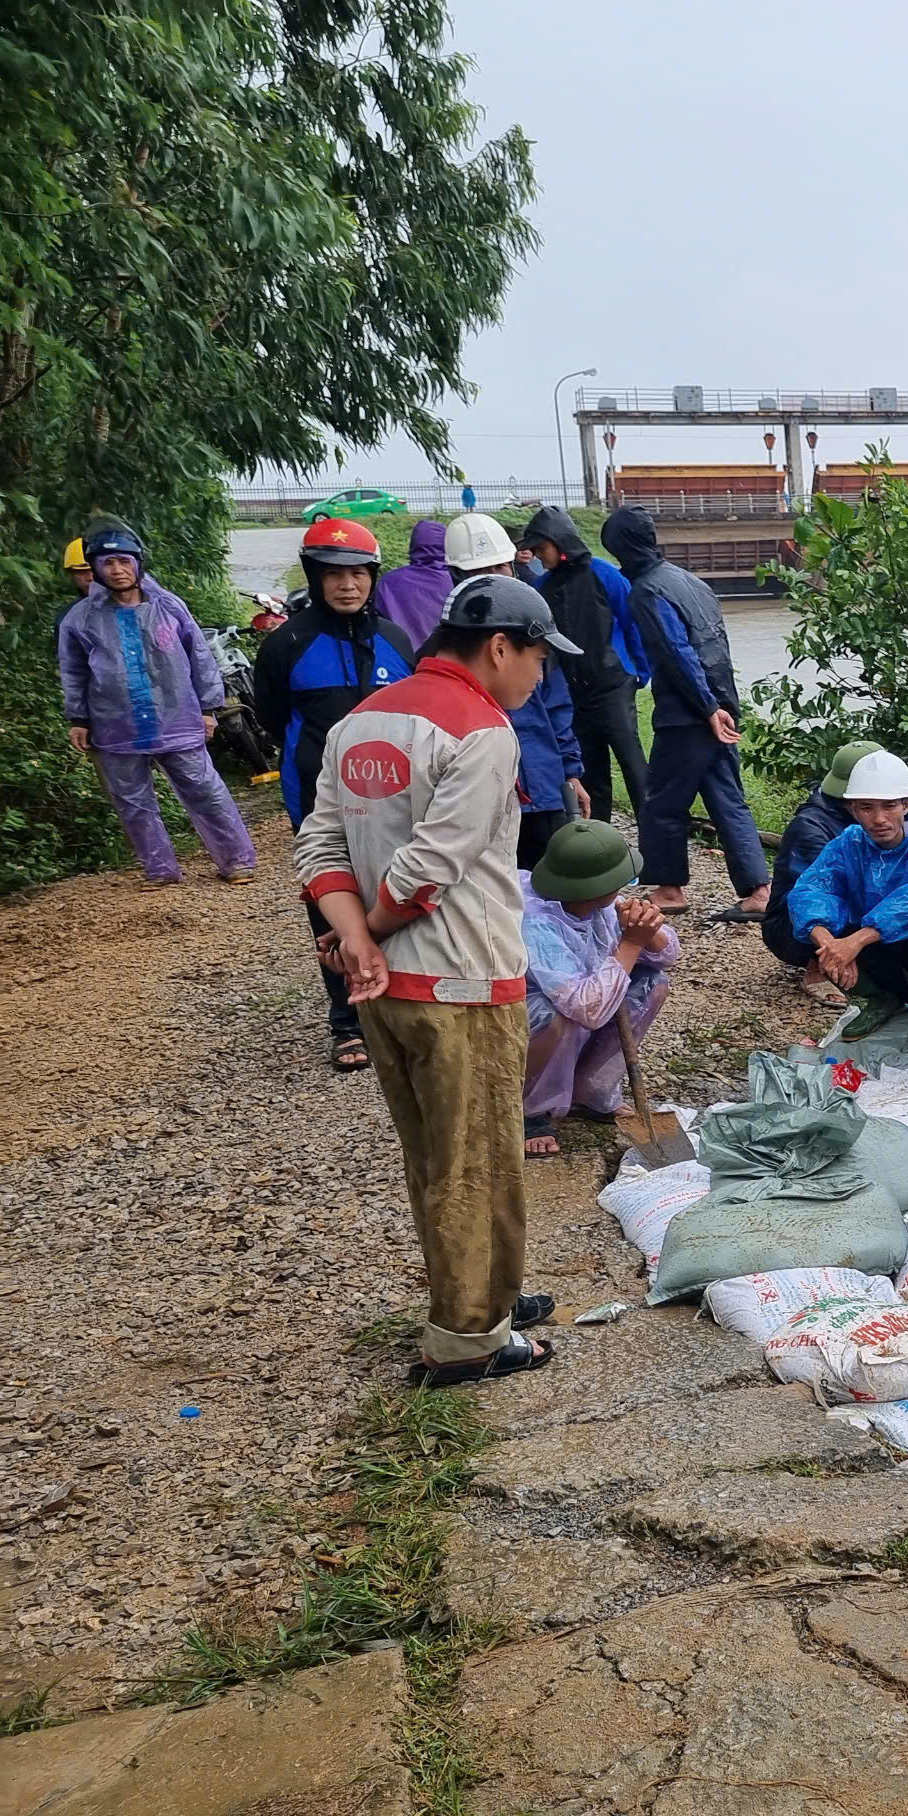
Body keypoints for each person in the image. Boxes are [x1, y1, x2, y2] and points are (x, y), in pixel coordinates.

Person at [295, 574, 582, 1387]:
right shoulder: (483, 730)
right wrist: (373, 933)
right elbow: (432, 867)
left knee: (438, 1154)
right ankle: (467, 1341)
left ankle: (490, 1292)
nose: (540, 678)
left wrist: (353, 938)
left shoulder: (362, 719)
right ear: (500, 648)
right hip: (461, 982)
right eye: (538, 660)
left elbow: (319, 843)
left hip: (388, 994)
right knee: (476, 1161)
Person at [255, 517, 420, 1070]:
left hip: (396, 798)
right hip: (319, 799)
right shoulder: (287, 644)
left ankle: (401, 1000)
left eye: (357, 573)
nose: (347, 585)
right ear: (315, 577)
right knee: (333, 903)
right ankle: (347, 1021)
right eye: (333, 574)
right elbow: (274, 717)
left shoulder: (396, 642)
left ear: (373, 577)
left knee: (398, 894)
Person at [56, 522, 259, 888]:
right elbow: (73, 671)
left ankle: (237, 860)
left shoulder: (168, 606)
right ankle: (159, 869)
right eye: (107, 563)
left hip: (177, 719)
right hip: (114, 725)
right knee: (132, 801)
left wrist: (209, 709)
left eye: (124, 561)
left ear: (138, 563)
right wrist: (78, 717)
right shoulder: (81, 619)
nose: (117, 570)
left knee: (205, 789)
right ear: (95, 569)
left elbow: (199, 656)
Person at [597, 506, 769, 920]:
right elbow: (716, 648)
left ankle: (669, 888)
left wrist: (706, 708)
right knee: (728, 797)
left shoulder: (647, 591)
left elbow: (677, 653)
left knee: (661, 801)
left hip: (688, 713)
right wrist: (723, 705)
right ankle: (760, 890)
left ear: (622, 550)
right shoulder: (690, 580)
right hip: (721, 703)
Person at [785, 748, 908, 1048]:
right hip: (885, 950)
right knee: (822, 926)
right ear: (852, 809)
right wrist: (830, 946)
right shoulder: (850, 843)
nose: (879, 819)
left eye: (889, 806)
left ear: (905, 804)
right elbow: (810, 889)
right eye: (866, 808)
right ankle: (880, 998)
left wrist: (855, 942)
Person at [520, 819, 680, 1158]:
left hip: (583, 996)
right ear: (590, 888)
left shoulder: (602, 903)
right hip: (527, 1011)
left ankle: (588, 1091)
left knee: (653, 985)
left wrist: (647, 931)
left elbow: (667, 957)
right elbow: (586, 1008)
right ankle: (529, 1109)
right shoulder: (536, 920)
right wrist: (630, 944)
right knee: (558, 1019)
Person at [439, 514, 584, 868]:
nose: (492, 581)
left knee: (554, 892)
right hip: (482, 799)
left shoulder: (533, 631)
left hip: (543, 788)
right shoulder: (443, 649)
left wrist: (571, 772)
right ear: (458, 579)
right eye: (478, 574)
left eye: (498, 568)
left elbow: (557, 706)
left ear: (514, 566)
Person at [522, 504, 648, 824]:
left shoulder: (604, 574)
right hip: (574, 695)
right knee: (592, 776)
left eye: (542, 548)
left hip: (613, 686)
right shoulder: (540, 588)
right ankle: (601, 851)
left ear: (560, 542)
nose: (538, 556)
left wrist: (641, 671)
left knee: (634, 768)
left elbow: (633, 622)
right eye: (534, 550)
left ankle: (657, 848)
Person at [762, 739, 879, 1007]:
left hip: (852, 912)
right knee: (837, 900)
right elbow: (816, 895)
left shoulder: (876, 817)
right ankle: (818, 968)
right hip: (793, 926)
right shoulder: (811, 828)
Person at [371, 518, 455, 639]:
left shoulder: (389, 582)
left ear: (413, 545)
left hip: (401, 654)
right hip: (445, 655)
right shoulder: (457, 580)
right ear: (446, 545)